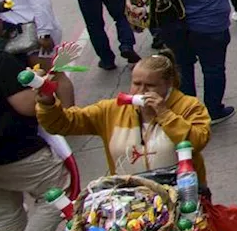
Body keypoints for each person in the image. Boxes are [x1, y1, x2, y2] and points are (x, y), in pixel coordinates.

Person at [0, 1, 71, 231]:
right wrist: (42, 86)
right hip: (12, 149)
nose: (1, 22)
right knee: (58, 192)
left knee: (5, 207)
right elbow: (26, 106)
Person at [37, 53, 212, 181]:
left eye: (150, 85)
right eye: (136, 83)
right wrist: (48, 104)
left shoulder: (189, 106)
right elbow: (63, 124)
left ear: (168, 84)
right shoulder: (111, 110)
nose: (141, 91)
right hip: (130, 200)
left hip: (183, 194)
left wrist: (165, 114)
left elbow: (197, 141)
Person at [155, 0, 236, 124]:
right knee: (214, 68)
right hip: (211, 25)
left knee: (183, 67)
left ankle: (189, 111)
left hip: (175, 27)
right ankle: (214, 109)